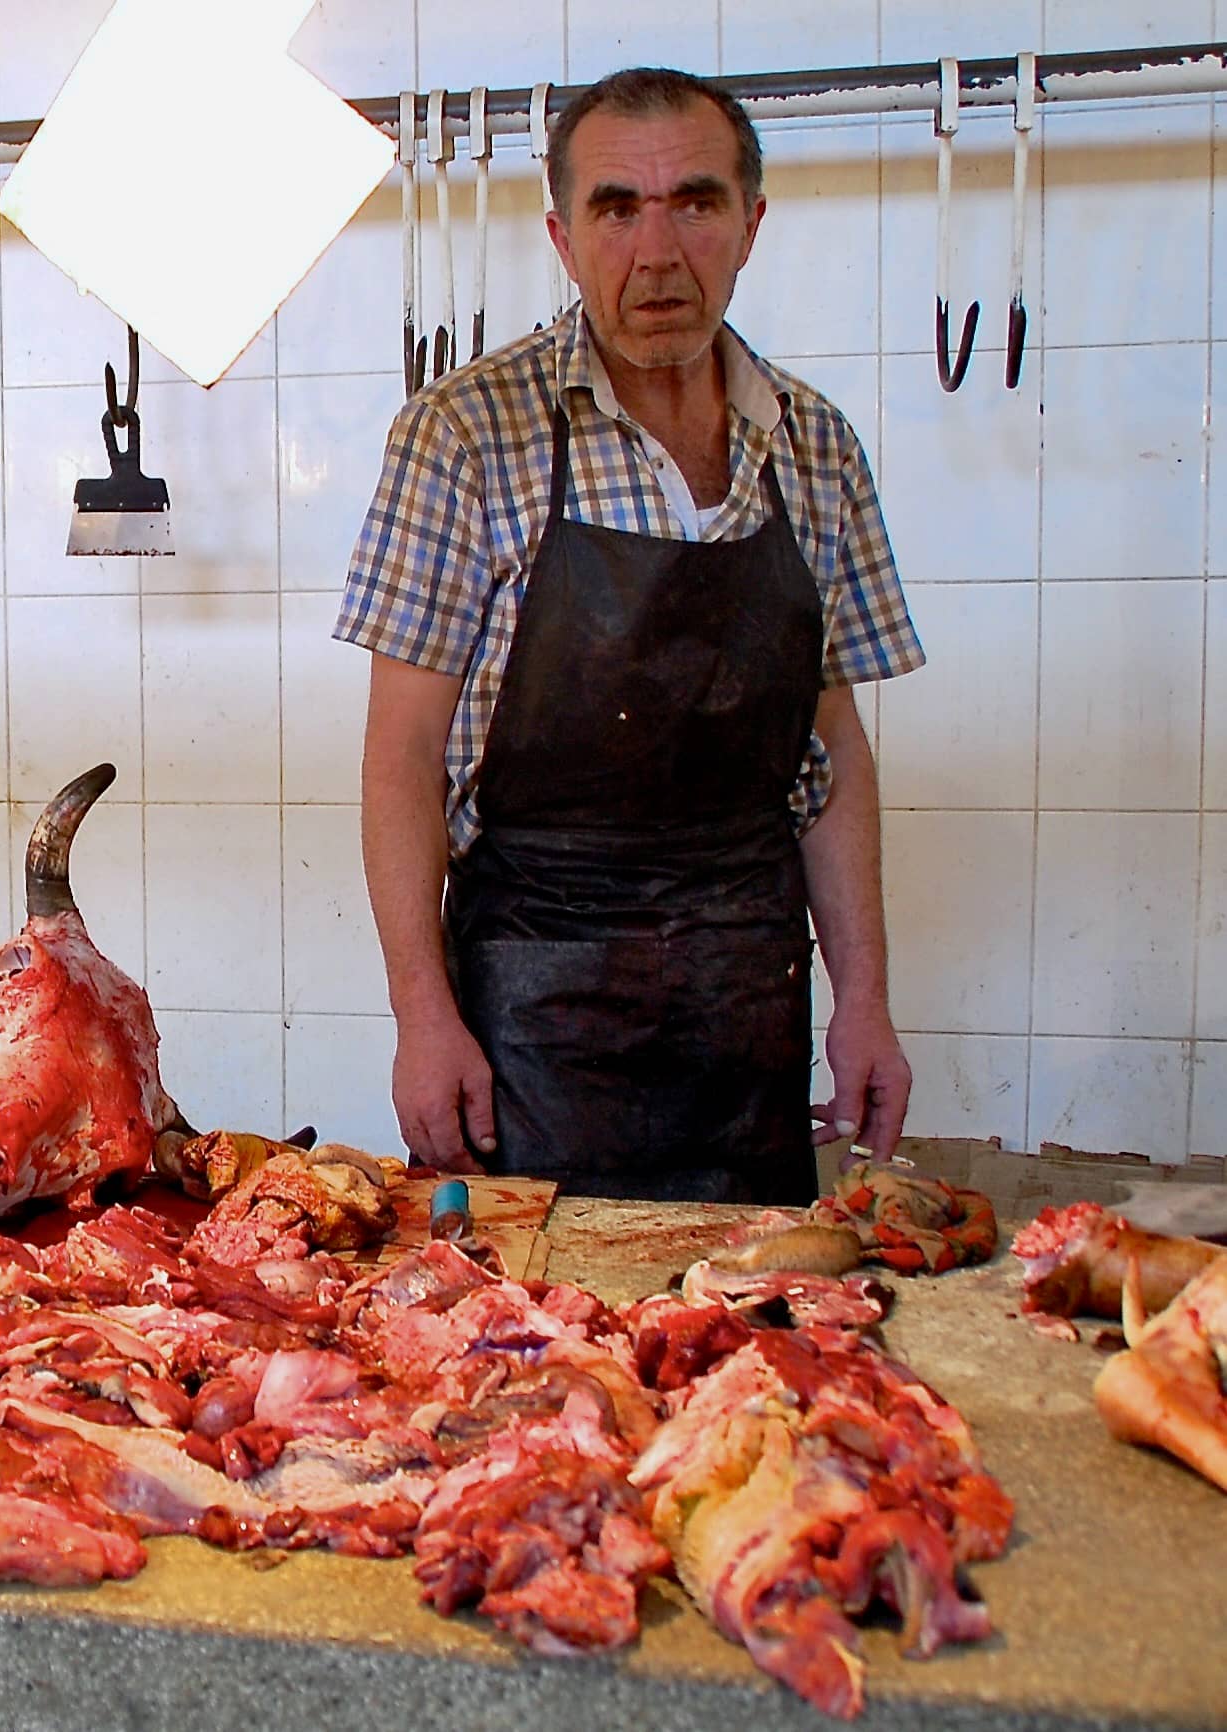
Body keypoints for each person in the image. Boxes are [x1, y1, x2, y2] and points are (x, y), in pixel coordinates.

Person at [338, 67, 923, 1203]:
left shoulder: (817, 448)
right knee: (529, 1357)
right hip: (531, 1013)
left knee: (748, 1345)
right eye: (617, 208)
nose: (657, 253)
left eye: (695, 203)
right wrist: (422, 1015)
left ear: (752, 223)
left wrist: (865, 1000)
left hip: (747, 1005)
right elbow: (399, 755)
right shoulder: (464, 434)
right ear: (562, 236)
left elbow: (833, 751)